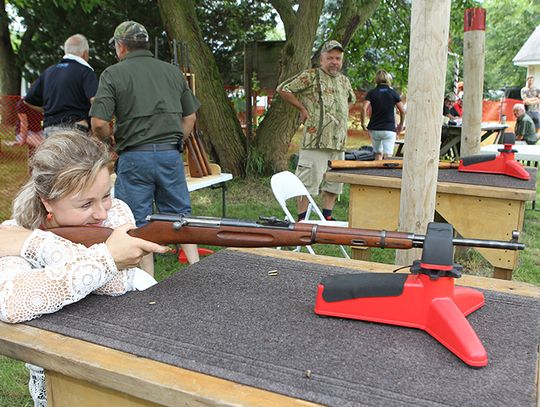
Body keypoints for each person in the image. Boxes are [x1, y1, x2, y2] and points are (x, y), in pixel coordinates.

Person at [0, 130, 169, 406]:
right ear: (46, 201)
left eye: (105, 195)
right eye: (86, 203)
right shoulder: (15, 232)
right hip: (60, 372)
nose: (102, 212)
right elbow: (12, 302)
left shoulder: (116, 213)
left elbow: (120, 279)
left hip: (128, 352)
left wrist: (39, 246)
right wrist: (109, 259)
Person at [90, 21, 200, 272]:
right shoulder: (172, 72)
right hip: (169, 155)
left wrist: (110, 142)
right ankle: (196, 269)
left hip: (134, 157)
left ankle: (147, 283)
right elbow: (190, 117)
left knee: (136, 222)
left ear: (120, 47)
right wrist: (175, 142)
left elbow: (98, 123)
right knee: (180, 216)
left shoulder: (113, 74)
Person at [277, 40, 355, 221]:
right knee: (307, 183)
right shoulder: (310, 76)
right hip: (315, 141)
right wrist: (303, 109)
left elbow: (350, 100)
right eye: (330, 58)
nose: (334, 62)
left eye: (338, 58)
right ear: (321, 60)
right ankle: (302, 219)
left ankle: (326, 216)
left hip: (338, 143)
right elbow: (283, 89)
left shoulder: (344, 81)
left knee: (334, 184)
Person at [24, 34, 98, 137]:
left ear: (66, 51)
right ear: (85, 54)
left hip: (50, 129)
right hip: (75, 128)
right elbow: (95, 100)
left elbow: (28, 100)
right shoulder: (85, 71)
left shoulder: (49, 72)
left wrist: (48, 110)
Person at [361, 70, 406, 160]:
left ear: (376, 79)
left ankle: (376, 172)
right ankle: (386, 173)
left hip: (374, 128)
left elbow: (364, 108)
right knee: (388, 156)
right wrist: (401, 124)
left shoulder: (372, 93)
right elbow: (402, 111)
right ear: (388, 80)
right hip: (389, 129)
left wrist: (363, 123)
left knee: (378, 153)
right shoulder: (393, 93)